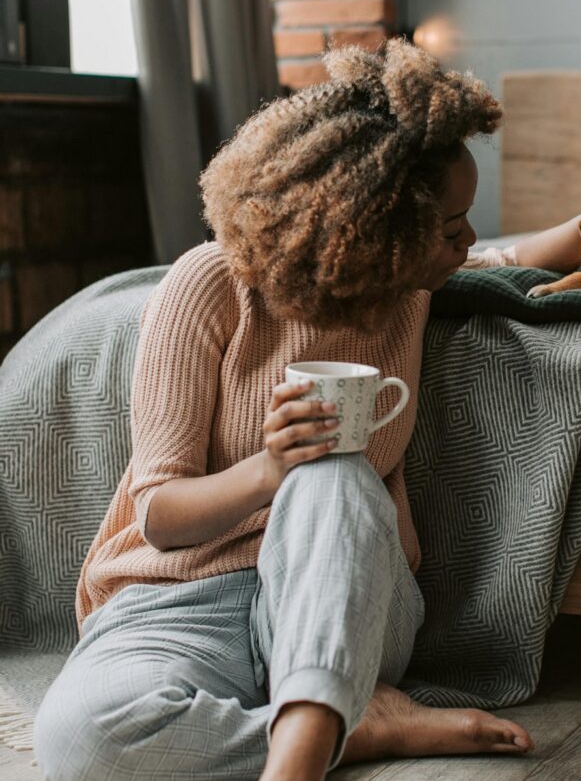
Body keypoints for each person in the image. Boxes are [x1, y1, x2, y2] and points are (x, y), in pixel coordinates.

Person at [32, 39, 537, 781]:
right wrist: (268, 470)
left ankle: (296, 758)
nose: (466, 241)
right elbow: (162, 517)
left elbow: (510, 256)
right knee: (82, 738)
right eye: (450, 225)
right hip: (180, 601)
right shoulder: (208, 286)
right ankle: (354, 726)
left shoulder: (415, 287)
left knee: (332, 474)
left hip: (347, 601)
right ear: (373, 226)